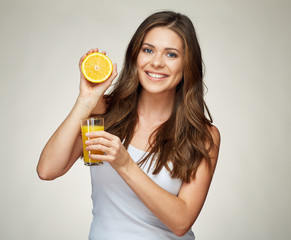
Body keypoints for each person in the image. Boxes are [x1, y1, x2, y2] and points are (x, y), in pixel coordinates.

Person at [37, 10, 220, 240]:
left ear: (187, 64)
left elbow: (181, 221)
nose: (156, 62)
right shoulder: (105, 111)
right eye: (148, 50)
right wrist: (85, 101)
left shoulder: (202, 135)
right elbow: (47, 169)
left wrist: (124, 164)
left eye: (171, 55)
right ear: (135, 55)